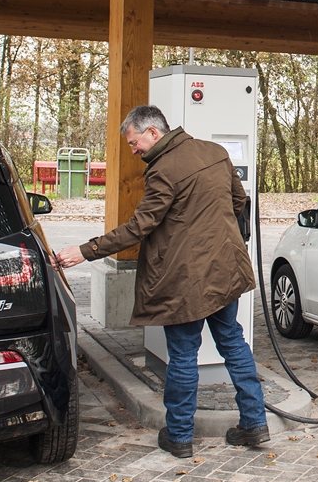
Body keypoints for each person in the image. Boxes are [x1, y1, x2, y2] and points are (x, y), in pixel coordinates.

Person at [55, 105, 268, 458]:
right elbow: (238, 202)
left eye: (135, 143)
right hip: (225, 271)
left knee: (183, 354)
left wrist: (85, 251)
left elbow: (140, 227)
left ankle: (181, 436)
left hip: (186, 281)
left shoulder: (164, 170)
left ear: (153, 132)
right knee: (233, 342)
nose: (134, 150)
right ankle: (255, 423)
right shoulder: (215, 152)